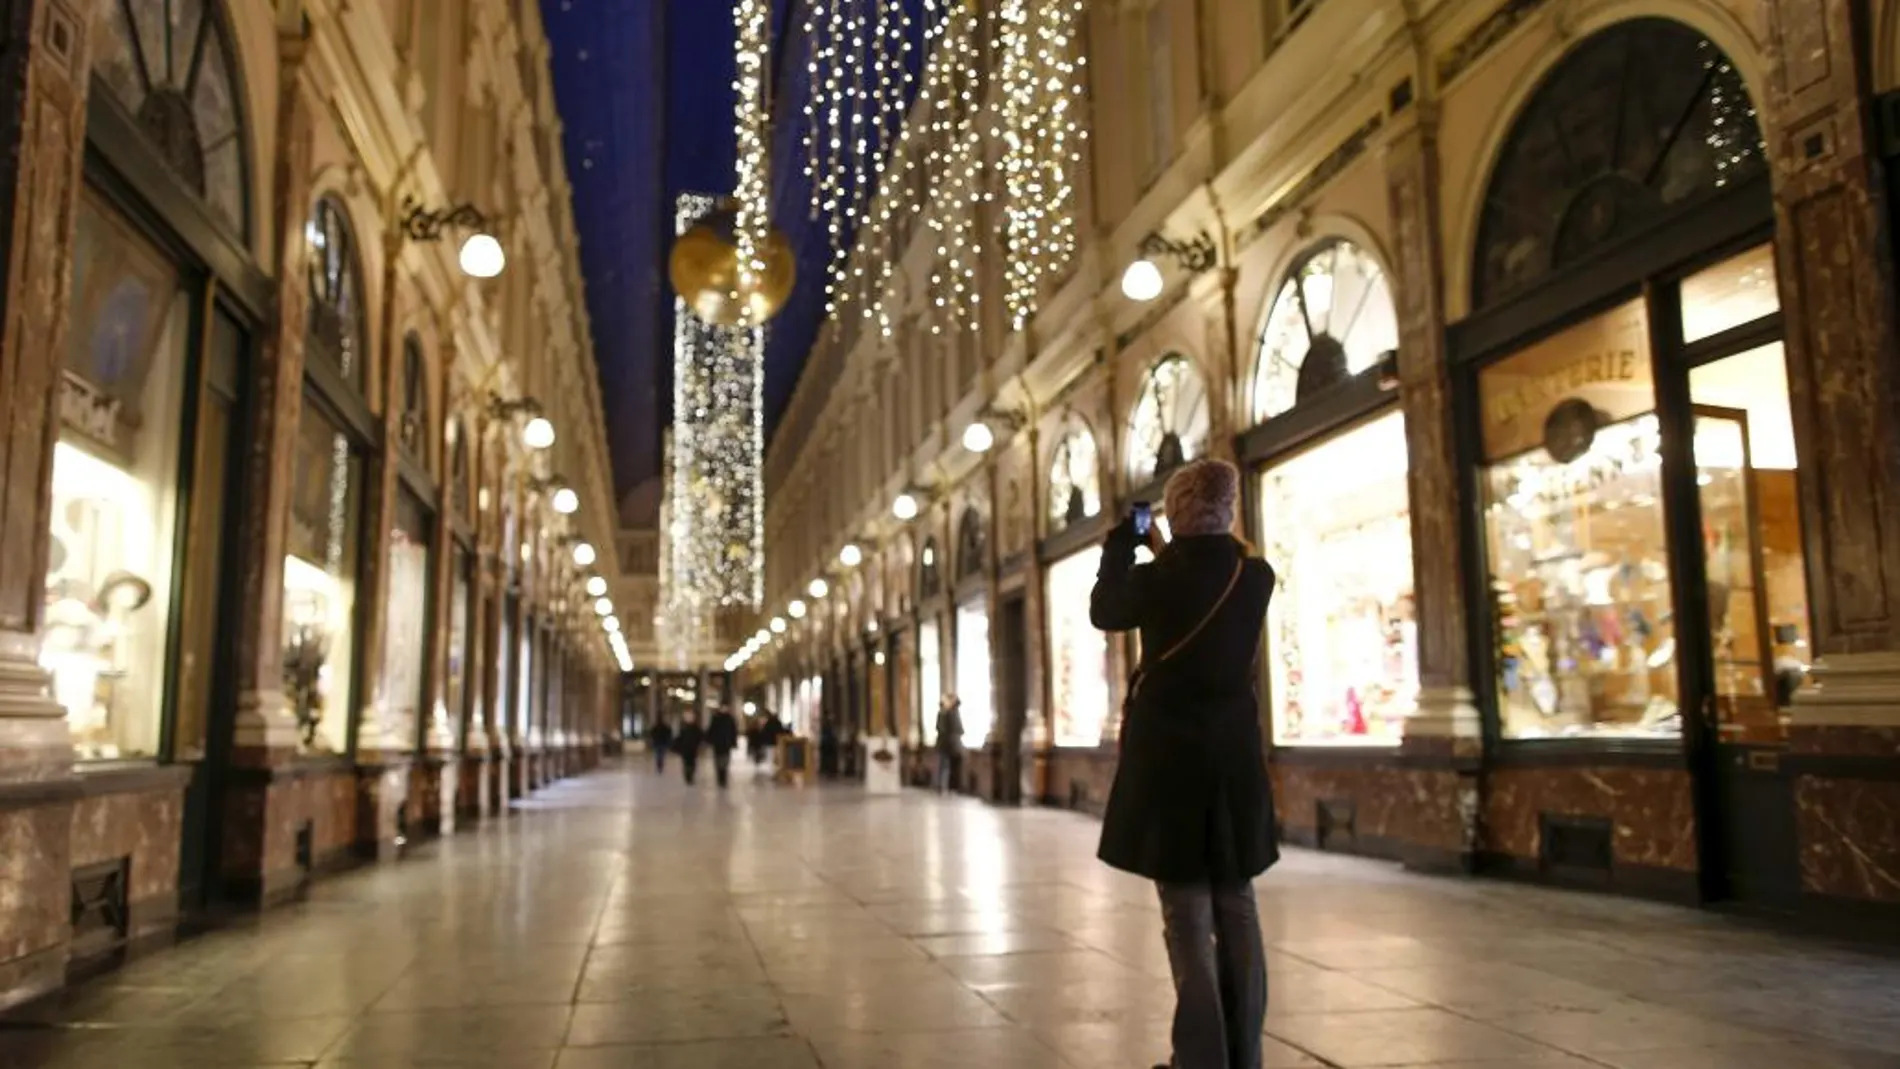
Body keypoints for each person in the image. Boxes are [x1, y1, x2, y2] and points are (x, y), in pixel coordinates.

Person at [1089, 458, 1277, 1069]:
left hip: (1172, 766)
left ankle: (1200, 1059)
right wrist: (1168, 543)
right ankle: (1245, 1055)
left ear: (1174, 512)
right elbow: (1214, 565)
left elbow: (1104, 609)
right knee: (1237, 904)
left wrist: (1123, 546)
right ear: (1230, 510)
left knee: (1187, 914)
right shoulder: (1256, 576)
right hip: (1234, 765)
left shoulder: (1156, 580)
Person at [934, 695, 964, 794]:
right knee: (946, 766)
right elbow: (959, 729)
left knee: (944, 766)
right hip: (950, 744)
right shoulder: (950, 714)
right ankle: (946, 787)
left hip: (946, 744)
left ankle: (942, 787)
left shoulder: (945, 713)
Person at [707, 706, 740, 788]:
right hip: (717, 744)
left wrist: (734, 742)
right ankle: (720, 777)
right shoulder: (716, 718)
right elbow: (711, 730)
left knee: (725, 761)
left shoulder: (730, 719)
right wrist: (710, 740)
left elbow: (733, 732)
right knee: (718, 761)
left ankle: (723, 777)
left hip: (726, 744)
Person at [674, 713, 704, 786]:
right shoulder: (683, 728)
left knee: (692, 763)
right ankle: (688, 776)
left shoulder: (696, 728)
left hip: (693, 749)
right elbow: (679, 738)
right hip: (685, 749)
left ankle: (690, 776)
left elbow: (700, 737)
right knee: (686, 763)